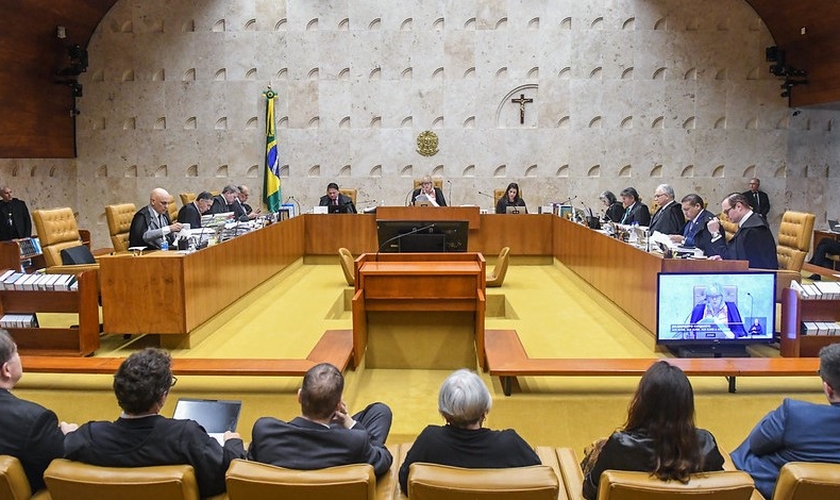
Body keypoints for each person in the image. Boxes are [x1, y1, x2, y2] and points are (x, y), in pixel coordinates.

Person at [64, 348, 245, 498]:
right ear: (163, 396)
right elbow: (226, 474)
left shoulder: (88, 436)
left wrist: (69, 432)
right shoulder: (184, 436)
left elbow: (65, 447)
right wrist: (232, 442)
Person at [582, 361, 724, 500]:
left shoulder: (620, 446)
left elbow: (590, 491)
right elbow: (724, 488)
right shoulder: (706, 444)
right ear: (687, 405)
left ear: (642, 403)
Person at [398, 369, 540, 494]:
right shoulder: (510, 443)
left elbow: (405, 481)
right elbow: (539, 481)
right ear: (486, 410)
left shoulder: (429, 441)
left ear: (444, 413)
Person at [731, 343, 840, 499]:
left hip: (777, 490)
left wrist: (774, 418)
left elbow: (757, 446)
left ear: (828, 388)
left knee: (758, 442)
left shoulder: (795, 414)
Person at [248, 363, 393, 477]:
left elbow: (250, 461)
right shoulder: (354, 442)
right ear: (338, 406)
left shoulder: (264, 431)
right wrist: (351, 425)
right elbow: (384, 459)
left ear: (299, 396)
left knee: (380, 411)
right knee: (380, 413)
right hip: (341, 442)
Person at [0, 329, 76, 494]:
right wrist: (69, 437)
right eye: (17, 352)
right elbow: (62, 471)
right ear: (6, 370)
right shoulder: (32, 421)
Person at [706, 193, 779, 269]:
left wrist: (715, 233)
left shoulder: (753, 229)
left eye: (727, 212)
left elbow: (736, 259)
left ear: (739, 206)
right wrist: (722, 258)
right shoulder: (751, 223)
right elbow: (734, 256)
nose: (726, 216)